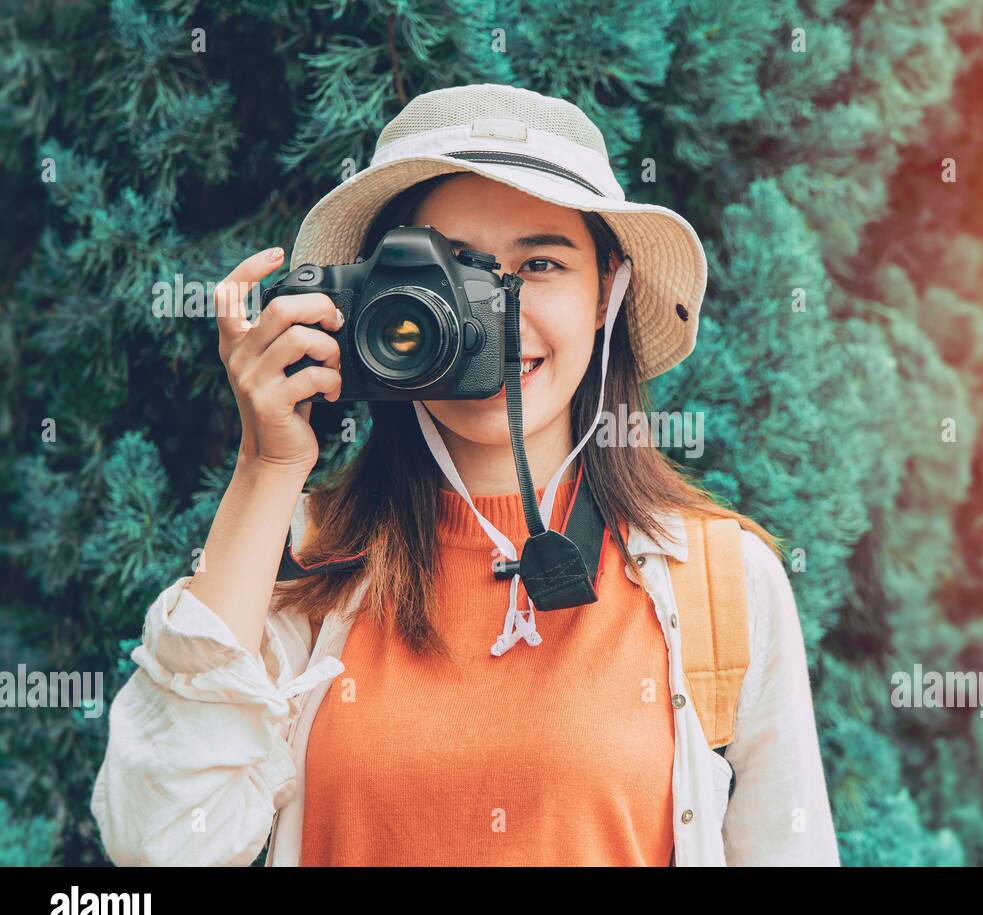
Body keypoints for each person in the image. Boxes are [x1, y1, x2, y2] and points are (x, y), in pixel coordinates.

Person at [90, 83, 840, 867]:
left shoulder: (721, 582)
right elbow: (158, 845)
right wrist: (266, 467)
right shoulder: (298, 564)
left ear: (605, 293)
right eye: (449, 270)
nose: (493, 313)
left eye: (539, 263)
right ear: (375, 298)